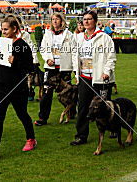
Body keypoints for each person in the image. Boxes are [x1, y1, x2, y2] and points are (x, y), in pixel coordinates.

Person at [0, 15, 36, 161]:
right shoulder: (0, 44)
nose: (3, 32)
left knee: (22, 114)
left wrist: (15, 61)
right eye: (1, 29)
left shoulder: (22, 45)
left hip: (17, 88)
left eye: (6, 29)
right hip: (1, 87)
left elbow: (30, 67)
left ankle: (31, 139)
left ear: (14, 29)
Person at [70, 10, 116, 146]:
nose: (86, 21)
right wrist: (76, 72)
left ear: (95, 21)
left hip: (100, 78)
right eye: (84, 19)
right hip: (84, 78)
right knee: (83, 107)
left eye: (89, 19)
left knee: (106, 106)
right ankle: (81, 135)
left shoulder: (104, 37)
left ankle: (113, 128)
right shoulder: (78, 38)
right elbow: (75, 57)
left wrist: (107, 71)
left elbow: (111, 57)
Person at [34, 13, 77, 126]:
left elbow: (74, 52)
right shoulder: (47, 34)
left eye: (57, 19)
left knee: (67, 93)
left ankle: (71, 112)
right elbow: (43, 49)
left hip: (64, 68)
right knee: (46, 93)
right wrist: (47, 58)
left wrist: (75, 68)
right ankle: (43, 118)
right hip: (50, 68)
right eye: (53, 19)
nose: (54, 21)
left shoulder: (69, 35)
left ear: (62, 21)